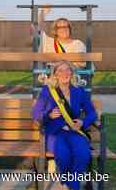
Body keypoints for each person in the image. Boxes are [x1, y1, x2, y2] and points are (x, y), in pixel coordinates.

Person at [32, 60, 97, 190]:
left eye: (68, 70)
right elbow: (36, 113)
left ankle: (70, 184)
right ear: (54, 74)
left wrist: (83, 122)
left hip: (75, 132)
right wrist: (48, 115)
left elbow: (92, 113)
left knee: (83, 154)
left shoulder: (79, 91)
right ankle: (73, 185)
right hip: (56, 133)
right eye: (60, 70)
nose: (65, 73)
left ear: (72, 73)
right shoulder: (47, 91)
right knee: (63, 156)